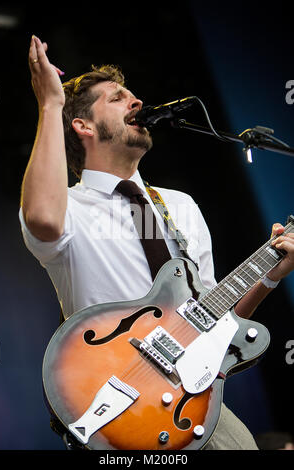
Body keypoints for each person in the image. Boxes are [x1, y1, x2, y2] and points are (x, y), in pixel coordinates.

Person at [19, 35, 294, 450]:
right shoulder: (69, 205)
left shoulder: (177, 206)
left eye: (133, 96)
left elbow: (217, 316)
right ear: (83, 126)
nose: (136, 103)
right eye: (117, 98)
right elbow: (40, 218)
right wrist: (51, 104)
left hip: (188, 402)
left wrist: (269, 276)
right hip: (115, 402)